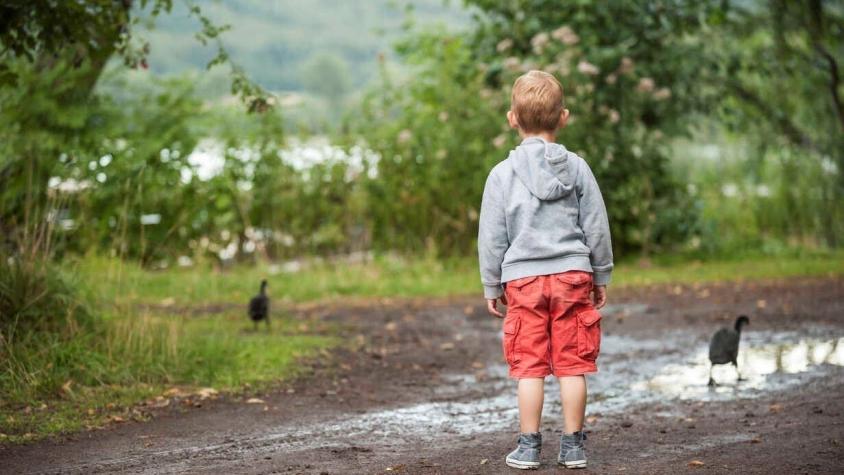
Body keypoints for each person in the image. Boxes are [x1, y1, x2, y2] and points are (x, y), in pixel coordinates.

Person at [477, 70, 613, 470]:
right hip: (573, 275)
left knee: (530, 366)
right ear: (563, 117)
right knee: (572, 363)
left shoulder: (501, 175)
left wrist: (491, 282)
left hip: (523, 280)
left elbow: (492, 236)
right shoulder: (578, 169)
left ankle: (529, 446)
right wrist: (600, 273)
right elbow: (596, 226)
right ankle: (573, 446)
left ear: (512, 119)